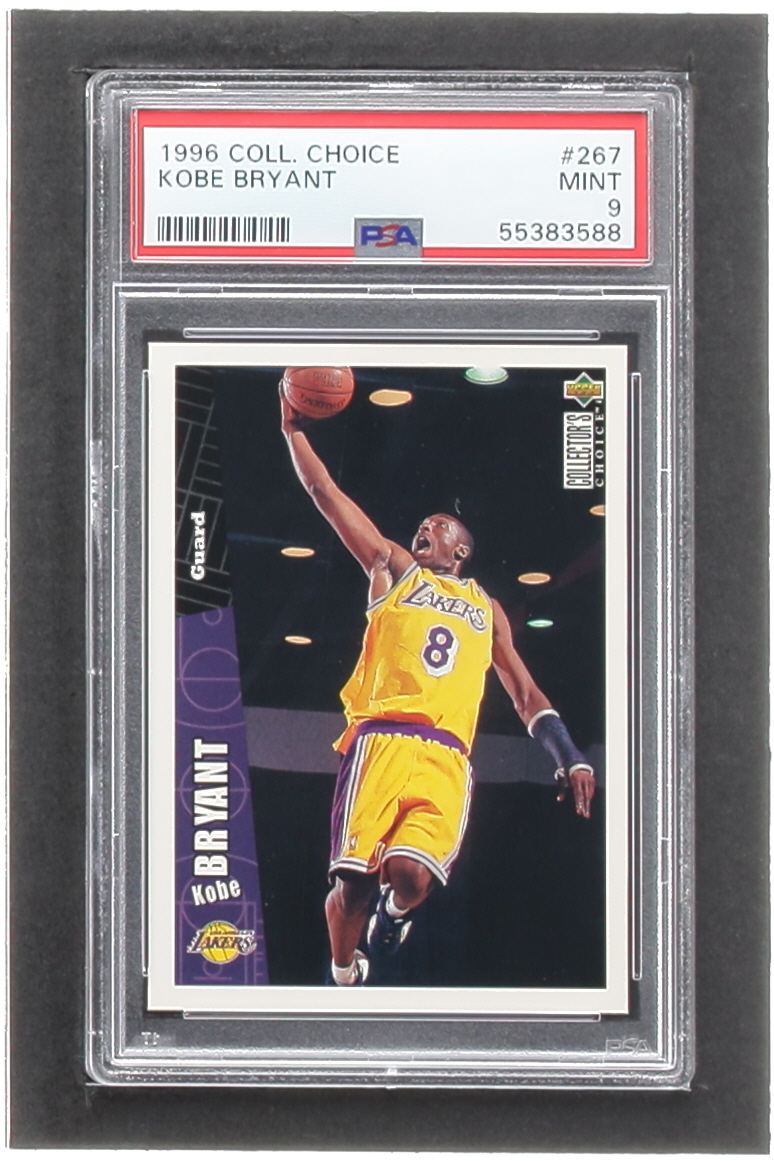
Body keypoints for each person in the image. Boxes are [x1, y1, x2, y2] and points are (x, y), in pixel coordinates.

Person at [280, 390, 596, 986]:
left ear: (462, 550)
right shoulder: (394, 569)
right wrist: (294, 431)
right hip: (380, 742)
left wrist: (570, 756)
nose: (426, 526)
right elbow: (326, 494)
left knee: (410, 875)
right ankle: (344, 972)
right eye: (424, 524)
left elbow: (526, 694)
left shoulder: (487, 609)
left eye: (440, 526)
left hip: (446, 755)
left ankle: (396, 916)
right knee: (352, 885)